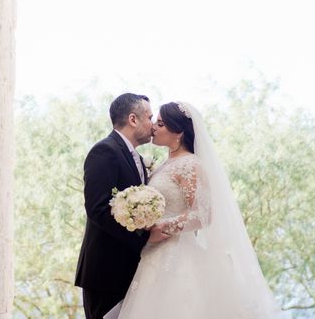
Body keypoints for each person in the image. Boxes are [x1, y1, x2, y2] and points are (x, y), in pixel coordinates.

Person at [113, 101, 284, 318]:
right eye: (154, 121)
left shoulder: (190, 164)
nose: (154, 127)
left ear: (179, 132)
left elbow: (203, 214)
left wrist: (164, 226)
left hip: (176, 252)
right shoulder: (164, 165)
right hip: (152, 253)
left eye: (161, 123)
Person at [74, 93, 170, 319]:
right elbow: (98, 209)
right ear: (133, 119)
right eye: (149, 117)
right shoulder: (105, 151)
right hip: (105, 271)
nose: (153, 124)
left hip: (131, 270)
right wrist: (144, 238)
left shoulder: (135, 156)